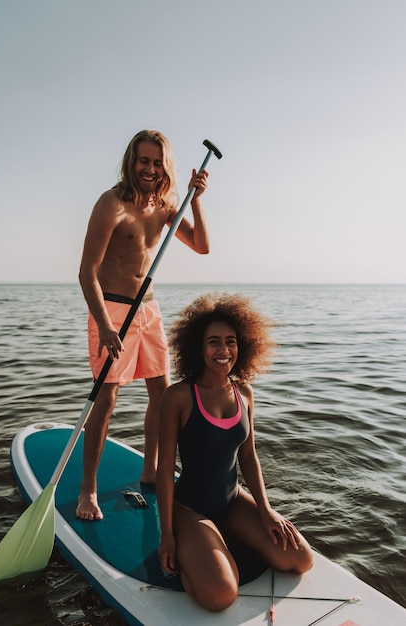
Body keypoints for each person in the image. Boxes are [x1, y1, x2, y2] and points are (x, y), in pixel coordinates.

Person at [77, 129, 210, 520]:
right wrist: (103, 325)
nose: (149, 169)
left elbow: (201, 246)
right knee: (106, 400)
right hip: (112, 311)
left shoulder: (167, 205)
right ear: (131, 161)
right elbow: (87, 272)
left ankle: (152, 468)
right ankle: (88, 488)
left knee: (163, 395)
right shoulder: (111, 204)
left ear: (163, 165)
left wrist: (195, 201)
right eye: (143, 160)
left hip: (148, 311)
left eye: (156, 162)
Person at [156, 293, 314, 612]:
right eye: (214, 342)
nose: (224, 350)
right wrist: (167, 534)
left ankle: (226, 535)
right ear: (198, 348)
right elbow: (164, 469)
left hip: (232, 502)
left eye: (231, 341)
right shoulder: (178, 397)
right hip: (191, 509)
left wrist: (266, 510)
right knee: (221, 596)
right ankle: (198, 553)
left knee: (299, 559)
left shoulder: (244, 392)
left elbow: (248, 457)